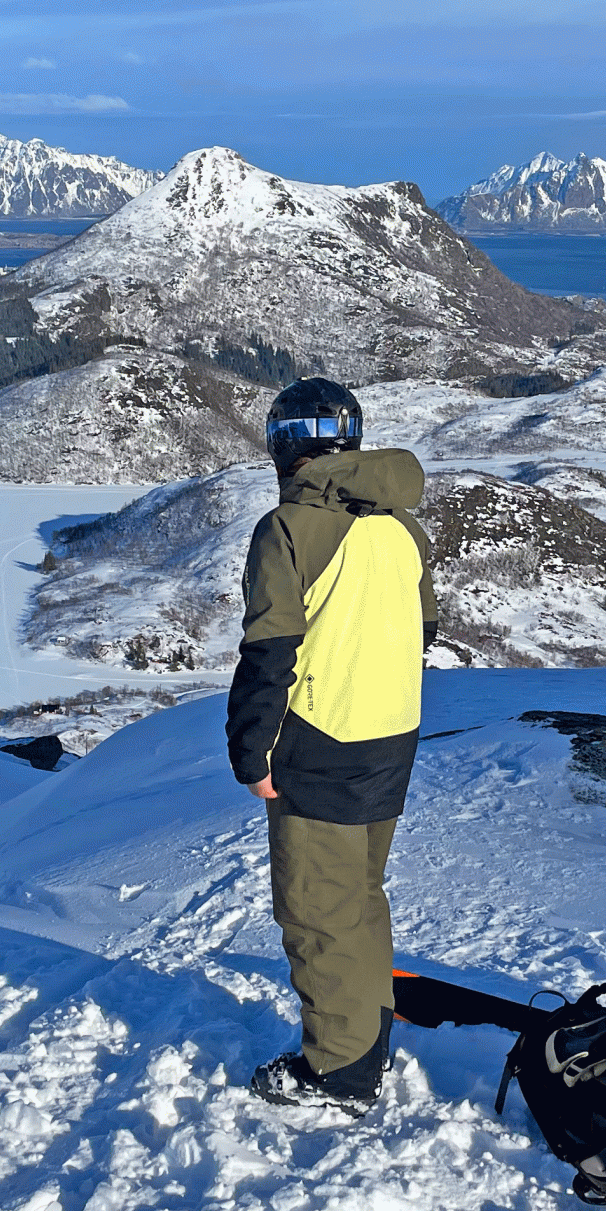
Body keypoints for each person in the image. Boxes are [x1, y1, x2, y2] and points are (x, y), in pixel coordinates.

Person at [228, 377, 437, 1116]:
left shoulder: (288, 529)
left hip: (321, 742)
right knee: (359, 896)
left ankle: (339, 1071)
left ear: (284, 447)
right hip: (391, 736)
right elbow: (424, 628)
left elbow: (270, 651)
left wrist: (251, 755)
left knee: (317, 910)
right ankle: (368, 1034)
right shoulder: (401, 526)